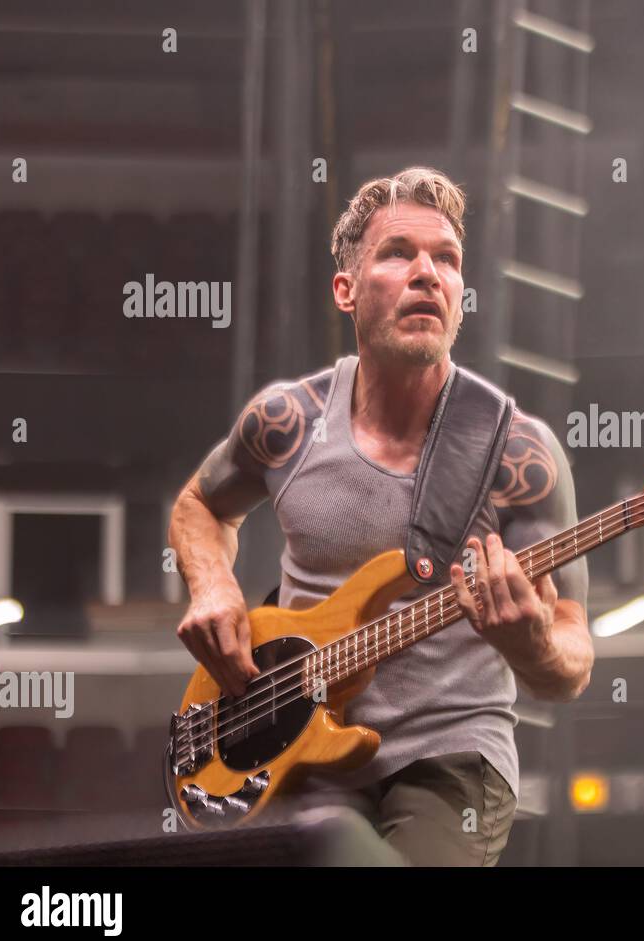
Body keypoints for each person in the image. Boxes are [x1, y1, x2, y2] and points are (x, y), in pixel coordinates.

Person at [167, 167, 594, 865]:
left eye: (447, 259)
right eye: (398, 253)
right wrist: (214, 586)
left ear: (461, 297)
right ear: (346, 289)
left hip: (449, 758)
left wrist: (533, 644)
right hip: (291, 745)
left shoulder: (520, 455)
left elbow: (570, 666)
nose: (428, 273)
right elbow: (199, 506)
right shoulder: (287, 422)